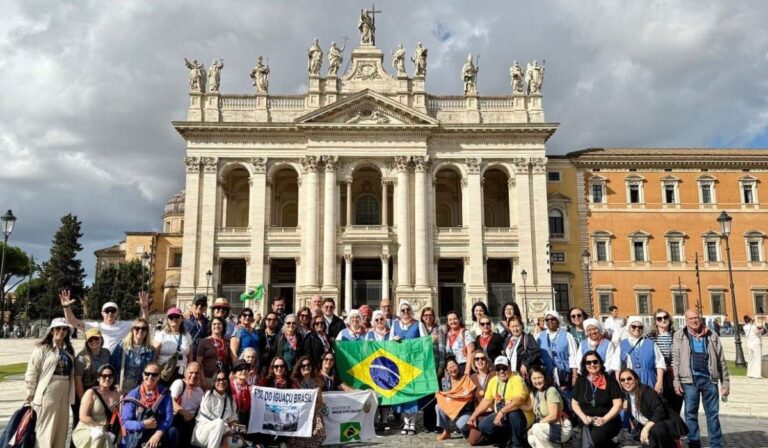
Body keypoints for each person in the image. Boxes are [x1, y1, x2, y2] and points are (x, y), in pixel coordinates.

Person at [672, 309, 729, 448]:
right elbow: (676, 360)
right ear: (686, 320)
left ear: (700, 318)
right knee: (690, 414)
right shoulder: (679, 335)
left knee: (713, 415)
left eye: (696, 317)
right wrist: (676, 380)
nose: (693, 321)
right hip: (689, 381)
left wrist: (725, 382)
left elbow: (721, 360)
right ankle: (694, 443)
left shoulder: (712, 334)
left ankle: (716, 444)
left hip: (710, 380)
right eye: (690, 318)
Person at [24, 317, 76, 448]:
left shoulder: (69, 350)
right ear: (52, 331)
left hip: (65, 393)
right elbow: (32, 370)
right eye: (58, 328)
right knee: (46, 430)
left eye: (64, 329)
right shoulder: (43, 348)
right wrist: (30, 392)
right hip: (48, 392)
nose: (61, 331)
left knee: (61, 429)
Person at [466, 356, 533, 447]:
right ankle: (505, 441)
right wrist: (473, 416)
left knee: (514, 414)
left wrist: (502, 412)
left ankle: (517, 444)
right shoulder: (494, 380)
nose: (501, 371)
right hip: (503, 415)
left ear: (510, 368)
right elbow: (486, 400)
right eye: (498, 368)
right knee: (484, 425)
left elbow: (519, 400)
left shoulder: (516, 379)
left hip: (521, 416)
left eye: (504, 368)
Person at [60, 289, 150, 352]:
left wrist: (145, 308)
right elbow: (73, 321)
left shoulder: (124, 325)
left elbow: (143, 323)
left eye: (113, 310)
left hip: (118, 363)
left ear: (117, 313)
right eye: (107, 311)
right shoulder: (95, 327)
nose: (110, 313)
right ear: (102, 313)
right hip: (100, 361)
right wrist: (66, 307)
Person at [618, 368, 686, 448]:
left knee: (656, 430)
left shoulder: (646, 391)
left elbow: (660, 411)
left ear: (636, 379)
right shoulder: (627, 396)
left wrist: (646, 428)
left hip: (666, 423)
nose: (626, 382)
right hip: (652, 428)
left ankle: (674, 442)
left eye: (629, 378)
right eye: (622, 380)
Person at [390, 300, 428, 435]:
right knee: (404, 394)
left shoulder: (418, 324)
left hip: (414, 364)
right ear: (399, 312)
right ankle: (406, 422)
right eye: (403, 310)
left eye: (407, 310)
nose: (405, 312)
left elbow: (425, 342)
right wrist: (394, 341)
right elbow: (389, 344)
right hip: (400, 365)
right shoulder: (395, 325)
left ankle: (412, 423)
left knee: (413, 394)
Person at [571, 351, 623, 448]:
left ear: (600, 363)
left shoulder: (610, 381)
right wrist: (584, 417)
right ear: (584, 365)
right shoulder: (580, 381)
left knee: (594, 439)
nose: (592, 364)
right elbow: (574, 403)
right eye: (588, 362)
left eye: (595, 361)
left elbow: (618, 404)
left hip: (608, 420)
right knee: (589, 441)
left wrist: (604, 419)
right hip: (587, 420)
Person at [121, 361, 178, 447]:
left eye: (154, 374)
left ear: (159, 377)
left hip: (157, 430)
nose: (150, 377)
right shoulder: (133, 395)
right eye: (147, 373)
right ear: (143, 375)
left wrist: (159, 432)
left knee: (172, 432)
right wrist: (143, 424)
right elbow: (125, 422)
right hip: (139, 432)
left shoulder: (164, 393)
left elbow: (168, 418)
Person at [73, 328, 112, 434]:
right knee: (81, 423)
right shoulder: (81, 357)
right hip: (84, 390)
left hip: (100, 391)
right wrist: (83, 400)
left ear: (101, 339)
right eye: (90, 340)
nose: (94, 341)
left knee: (98, 423)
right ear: (86, 342)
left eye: (96, 338)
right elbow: (78, 380)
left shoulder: (106, 353)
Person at [72, 364, 120, 448]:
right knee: (99, 435)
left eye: (110, 376)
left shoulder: (118, 394)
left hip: (109, 429)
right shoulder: (90, 393)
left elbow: (120, 415)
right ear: (98, 378)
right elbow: (83, 416)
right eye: (104, 376)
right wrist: (98, 427)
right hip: (90, 427)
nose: (107, 378)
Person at [525, 365, 573, 448]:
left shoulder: (551, 391)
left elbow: (553, 416)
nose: (537, 381)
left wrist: (534, 427)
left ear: (545, 377)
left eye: (539, 377)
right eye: (534, 378)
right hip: (547, 427)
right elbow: (529, 407)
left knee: (536, 428)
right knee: (531, 438)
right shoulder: (535, 392)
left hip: (561, 427)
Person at [648, 309, 683, 413]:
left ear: (669, 319)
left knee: (676, 403)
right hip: (658, 375)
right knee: (660, 404)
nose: (663, 320)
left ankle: (676, 427)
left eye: (665, 317)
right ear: (656, 321)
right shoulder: (649, 337)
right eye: (659, 318)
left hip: (674, 374)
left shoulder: (677, 335)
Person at [192, 369, 238, 448]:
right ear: (214, 382)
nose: (221, 382)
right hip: (202, 434)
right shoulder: (208, 395)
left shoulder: (230, 399)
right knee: (219, 423)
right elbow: (207, 418)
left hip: (223, 433)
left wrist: (236, 431)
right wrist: (226, 429)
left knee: (237, 442)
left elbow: (232, 419)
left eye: (224, 379)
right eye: (218, 380)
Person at [536, 311, 578, 393]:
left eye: (553, 319)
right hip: (546, 373)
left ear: (558, 321)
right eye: (547, 320)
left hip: (564, 374)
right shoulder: (539, 336)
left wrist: (575, 376)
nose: (550, 321)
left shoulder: (567, 335)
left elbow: (573, 356)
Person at [111, 318, 156, 394]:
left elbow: (150, 372)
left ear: (147, 332)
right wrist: (114, 384)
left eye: (144, 328)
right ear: (132, 330)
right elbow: (112, 366)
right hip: (120, 388)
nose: (140, 330)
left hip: (138, 390)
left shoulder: (150, 350)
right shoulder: (122, 346)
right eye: (137, 328)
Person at [289, 356, 326, 448]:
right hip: (299, 416)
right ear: (299, 368)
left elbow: (320, 403)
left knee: (319, 435)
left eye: (308, 365)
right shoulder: (294, 383)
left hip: (314, 415)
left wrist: (318, 394)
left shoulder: (317, 382)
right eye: (303, 365)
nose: (306, 367)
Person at [620, 315, 665, 391]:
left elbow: (660, 363)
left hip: (649, 379)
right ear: (629, 327)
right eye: (634, 326)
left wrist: (659, 381)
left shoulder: (651, 343)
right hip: (629, 381)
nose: (637, 329)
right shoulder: (622, 344)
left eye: (640, 327)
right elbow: (617, 367)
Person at [435, 356, 474, 441]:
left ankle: (469, 433)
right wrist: (439, 395)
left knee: (461, 425)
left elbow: (470, 398)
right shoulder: (445, 381)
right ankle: (446, 431)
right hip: (453, 407)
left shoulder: (465, 378)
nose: (453, 369)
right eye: (450, 368)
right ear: (447, 370)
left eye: (454, 366)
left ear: (458, 366)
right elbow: (446, 398)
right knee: (438, 406)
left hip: (465, 409)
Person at [154, 307, 193, 386]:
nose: (174, 319)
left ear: (181, 318)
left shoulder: (187, 335)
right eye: (171, 317)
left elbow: (190, 355)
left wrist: (190, 371)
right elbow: (155, 355)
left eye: (177, 316)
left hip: (181, 371)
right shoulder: (161, 334)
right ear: (167, 320)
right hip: (164, 371)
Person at [170, 362, 205, 445]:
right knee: (173, 433)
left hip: (191, 422)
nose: (194, 375)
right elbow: (170, 401)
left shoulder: (200, 392)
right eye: (191, 372)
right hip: (176, 418)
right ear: (185, 373)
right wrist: (184, 413)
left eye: (196, 373)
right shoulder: (179, 383)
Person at [503, 315, 541, 380]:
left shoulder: (527, 338)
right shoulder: (508, 339)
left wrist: (525, 364)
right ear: (509, 327)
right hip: (510, 375)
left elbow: (536, 353)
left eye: (517, 326)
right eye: (512, 326)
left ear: (521, 326)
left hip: (522, 375)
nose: (515, 329)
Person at [196, 316, 233, 383]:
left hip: (223, 379)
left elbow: (229, 362)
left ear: (223, 326)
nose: (217, 326)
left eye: (219, 324)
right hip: (208, 378)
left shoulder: (227, 342)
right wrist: (202, 379)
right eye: (214, 324)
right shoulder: (203, 342)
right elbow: (199, 363)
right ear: (210, 326)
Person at [444, 311, 476, 376]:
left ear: (459, 320)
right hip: (452, 369)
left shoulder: (465, 333)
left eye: (455, 319)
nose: (453, 321)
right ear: (447, 322)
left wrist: (467, 369)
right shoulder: (447, 334)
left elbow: (471, 352)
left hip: (463, 367)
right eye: (450, 320)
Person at [230, 361, 252, 428]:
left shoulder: (251, 388)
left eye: (246, 369)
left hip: (246, 418)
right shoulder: (229, 386)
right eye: (240, 369)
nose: (244, 371)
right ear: (234, 374)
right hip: (232, 417)